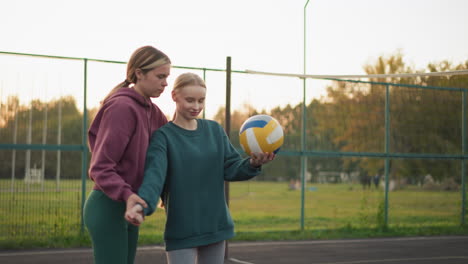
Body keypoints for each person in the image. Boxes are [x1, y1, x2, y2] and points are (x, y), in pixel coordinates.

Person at [125, 72, 275, 264]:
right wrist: (141, 205)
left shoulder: (214, 130)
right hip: (182, 230)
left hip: (216, 227)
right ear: (174, 96)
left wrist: (253, 163)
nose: (196, 106)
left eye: (201, 101)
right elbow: (154, 177)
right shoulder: (163, 137)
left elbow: (232, 168)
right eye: (190, 100)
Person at [83, 45, 171, 264]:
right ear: (139, 73)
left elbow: (172, 148)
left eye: (167, 77)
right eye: (160, 76)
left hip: (132, 205)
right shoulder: (122, 107)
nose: (165, 83)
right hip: (108, 205)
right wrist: (127, 195)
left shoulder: (154, 112)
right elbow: (100, 167)